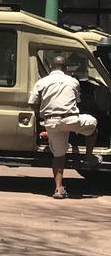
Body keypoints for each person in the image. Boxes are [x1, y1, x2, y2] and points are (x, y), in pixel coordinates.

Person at [28, 54, 98, 199]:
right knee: (93, 126)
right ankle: (88, 158)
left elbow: (32, 102)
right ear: (66, 68)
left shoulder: (42, 82)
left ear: (51, 67)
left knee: (59, 156)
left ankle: (59, 189)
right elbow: (78, 101)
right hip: (71, 120)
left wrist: (41, 111)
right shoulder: (72, 81)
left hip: (51, 123)